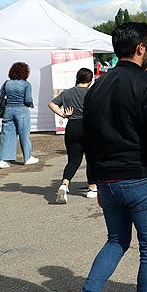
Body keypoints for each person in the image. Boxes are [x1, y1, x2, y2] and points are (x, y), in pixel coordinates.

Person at [64, 22, 147, 292]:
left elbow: (91, 134)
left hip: (109, 178)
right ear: (141, 47)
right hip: (142, 176)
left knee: (116, 240)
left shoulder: (99, 84)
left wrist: (97, 179)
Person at [48, 67, 97, 202]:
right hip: (88, 127)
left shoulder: (67, 93)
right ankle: (92, 188)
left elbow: (51, 104)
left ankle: (64, 184)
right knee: (91, 159)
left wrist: (63, 114)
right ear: (90, 80)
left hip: (72, 127)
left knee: (73, 160)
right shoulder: (91, 92)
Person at [0, 61, 39, 168]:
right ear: (25, 72)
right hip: (22, 110)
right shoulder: (26, 84)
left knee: (6, 135)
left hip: (8, 110)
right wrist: (31, 104)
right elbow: (28, 99)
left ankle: (3, 160)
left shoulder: (7, 83)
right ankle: (27, 157)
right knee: (24, 135)